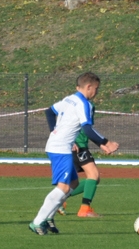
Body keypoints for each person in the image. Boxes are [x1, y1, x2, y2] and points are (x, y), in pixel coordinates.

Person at [29, 72, 119, 235]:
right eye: (96, 89)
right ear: (89, 87)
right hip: (61, 148)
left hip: (57, 145)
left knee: (73, 184)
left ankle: (48, 217)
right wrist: (106, 143)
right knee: (63, 187)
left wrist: (54, 131)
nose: (96, 93)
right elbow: (87, 129)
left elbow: (49, 112)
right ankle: (37, 222)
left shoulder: (69, 99)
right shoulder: (84, 104)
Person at [57, 128, 103, 218]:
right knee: (93, 175)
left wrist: (103, 143)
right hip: (78, 146)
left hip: (78, 145)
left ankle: (59, 200)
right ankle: (84, 209)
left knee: (94, 179)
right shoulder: (81, 113)